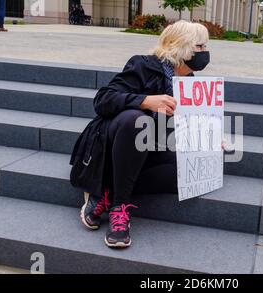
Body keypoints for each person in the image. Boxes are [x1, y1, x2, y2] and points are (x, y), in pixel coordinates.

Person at [70, 21, 211, 249]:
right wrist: (145, 101)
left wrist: (209, 137)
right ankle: (120, 207)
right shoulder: (144, 65)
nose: (205, 52)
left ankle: (108, 191)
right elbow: (103, 99)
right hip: (115, 141)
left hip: (153, 145)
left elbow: (185, 124)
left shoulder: (190, 82)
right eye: (200, 46)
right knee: (136, 120)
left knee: (195, 169)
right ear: (182, 47)